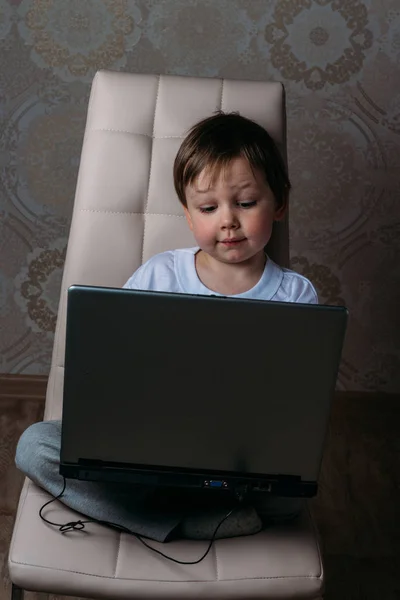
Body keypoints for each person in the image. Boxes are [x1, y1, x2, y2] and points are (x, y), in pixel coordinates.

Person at [15, 112, 318, 544]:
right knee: (35, 445)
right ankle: (182, 523)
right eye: (209, 208)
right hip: (151, 456)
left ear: (280, 203)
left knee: (292, 492)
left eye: (246, 203)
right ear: (189, 215)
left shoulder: (295, 296)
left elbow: (297, 402)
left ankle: (167, 514)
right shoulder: (159, 275)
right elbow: (114, 366)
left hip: (238, 465)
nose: (228, 220)